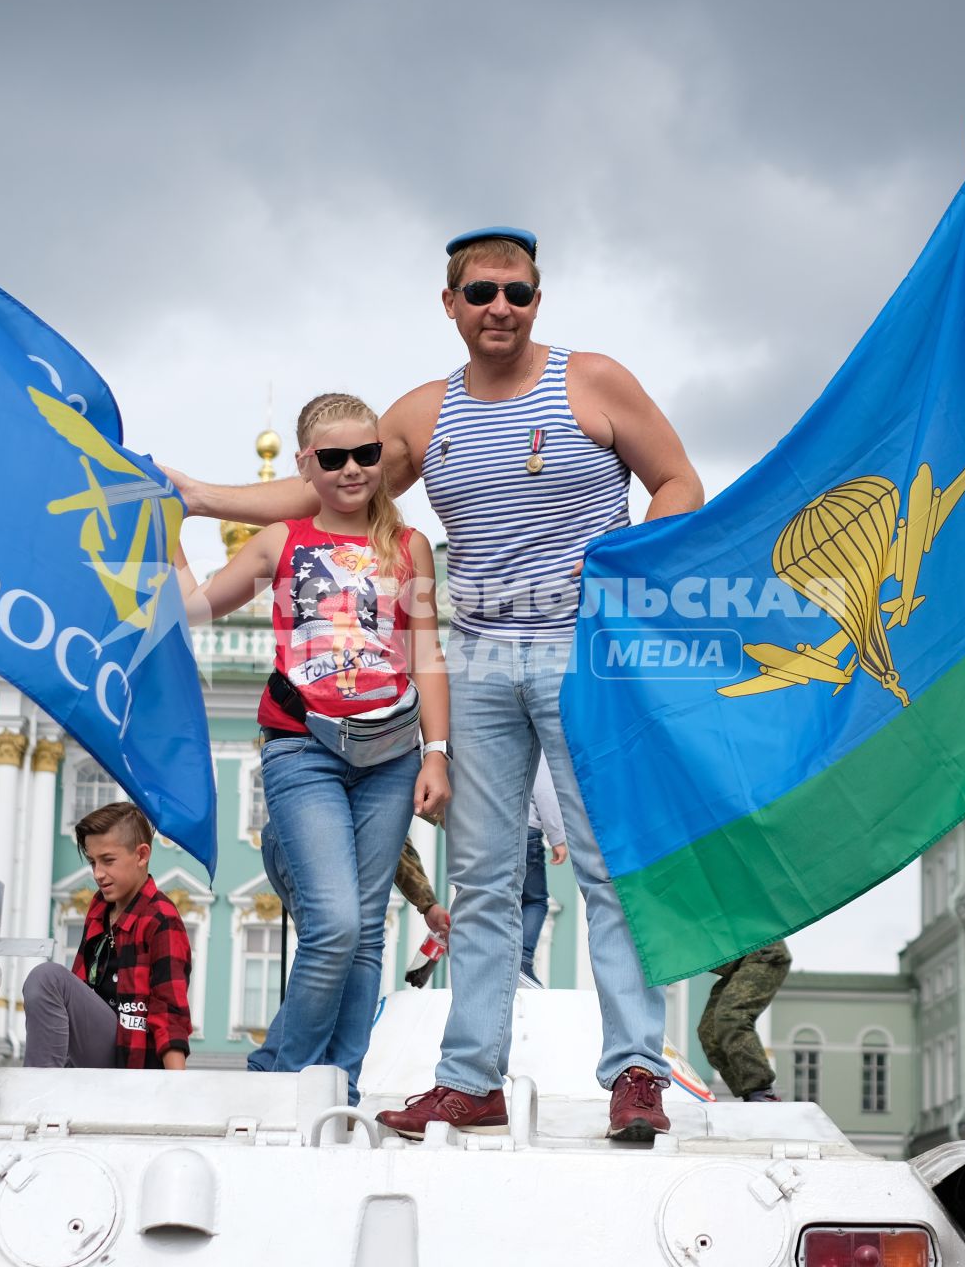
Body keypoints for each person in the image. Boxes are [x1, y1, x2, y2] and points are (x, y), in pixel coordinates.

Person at [168, 227, 705, 1142]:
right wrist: (203, 498)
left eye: (520, 292)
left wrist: (624, 570)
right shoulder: (424, 414)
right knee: (484, 880)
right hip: (483, 656)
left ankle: (635, 1073)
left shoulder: (593, 381)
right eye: (483, 291)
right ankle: (470, 1080)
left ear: (539, 301)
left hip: (583, 651)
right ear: (450, 304)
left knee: (610, 867)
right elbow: (336, 492)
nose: (502, 307)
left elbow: (678, 482)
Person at [177, 392, 451, 1103]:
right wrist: (165, 528)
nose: (354, 469)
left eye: (368, 454)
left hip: (391, 754)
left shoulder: (407, 545)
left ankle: (342, 1089)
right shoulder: (280, 538)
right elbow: (195, 608)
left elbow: (426, 657)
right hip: (303, 748)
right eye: (334, 458)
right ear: (307, 465)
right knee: (332, 922)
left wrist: (437, 751)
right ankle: (282, 1078)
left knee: (365, 934)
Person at [245, 830, 451, 1073]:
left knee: (328, 956)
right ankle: (283, 1067)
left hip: (288, 839)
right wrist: (427, 903)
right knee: (337, 955)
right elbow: (389, 837)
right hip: (310, 843)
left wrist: (427, 903)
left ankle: (278, 1067)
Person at [23, 801, 191, 1069]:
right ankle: (51, 1083)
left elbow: (170, 1013)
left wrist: (176, 1093)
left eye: (108, 860)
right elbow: (80, 984)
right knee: (49, 983)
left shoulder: (161, 917)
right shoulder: (99, 908)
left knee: (47, 977)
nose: (98, 874)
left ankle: (39, 1090)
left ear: (141, 855)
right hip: (92, 1054)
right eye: (92, 862)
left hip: (132, 1059)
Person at [695, 940, 793, 1102]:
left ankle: (762, 1091)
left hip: (763, 953)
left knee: (731, 1016)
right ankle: (750, 1094)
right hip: (737, 967)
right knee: (709, 1032)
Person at [519, 757, 568, 988]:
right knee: (535, 901)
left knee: (499, 901)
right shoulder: (534, 745)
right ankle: (523, 961)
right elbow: (544, 792)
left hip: (491, 832)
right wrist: (557, 837)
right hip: (527, 831)